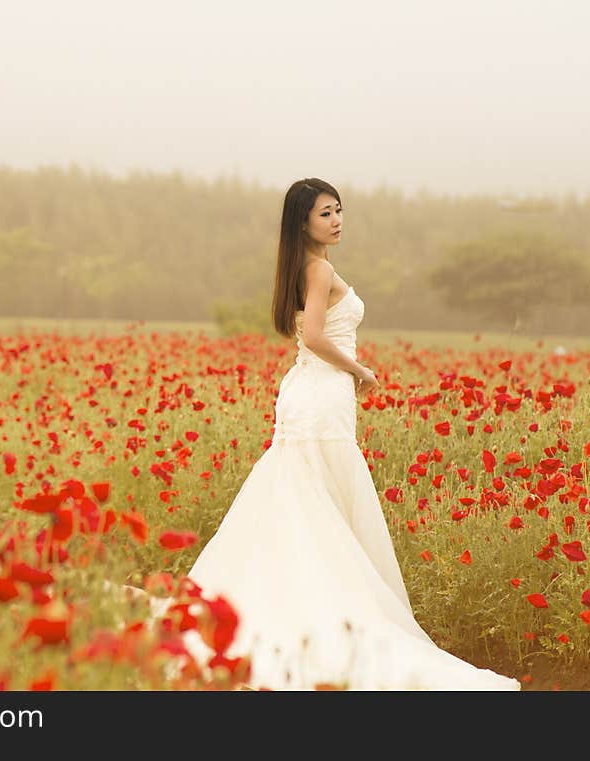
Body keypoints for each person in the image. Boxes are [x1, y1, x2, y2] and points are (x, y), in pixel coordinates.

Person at [148, 178, 521, 691]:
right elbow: (317, 336)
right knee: (318, 502)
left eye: (339, 210)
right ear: (303, 221)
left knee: (306, 499)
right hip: (321, 392)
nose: (337, 220)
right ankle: (323, 613)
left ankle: (294, 603)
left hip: (309, 391)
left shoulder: (302, 266)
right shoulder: (318, 268)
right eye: (325, 213)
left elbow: (308, 337)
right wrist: (360, 371)